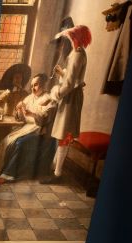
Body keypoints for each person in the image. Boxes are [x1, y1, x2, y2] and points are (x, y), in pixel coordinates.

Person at [41, 25, 92, 184]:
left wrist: (55, 93)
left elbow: (70, 84)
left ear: (76, 38)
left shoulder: (77, 54)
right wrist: (62, 73)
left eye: (71, 37)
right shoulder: (77, 53)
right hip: (70, 96)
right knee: (62, 133)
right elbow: (73, 78)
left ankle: (57, 174)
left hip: (70, 98)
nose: (69, 39)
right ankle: (55, 167)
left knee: (64, 134)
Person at [0, 74, 57, 185]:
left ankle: (8, 174)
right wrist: (18, 110)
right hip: (27, 128)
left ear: (44, 84)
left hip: (39, 130)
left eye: (36, 85)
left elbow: (45, 118)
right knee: (6, 141)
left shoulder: (48, 99)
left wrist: (31, 114)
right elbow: (20, 117)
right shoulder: (30, 97)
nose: (33, 88)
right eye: (32, 85)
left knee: (19, 143)